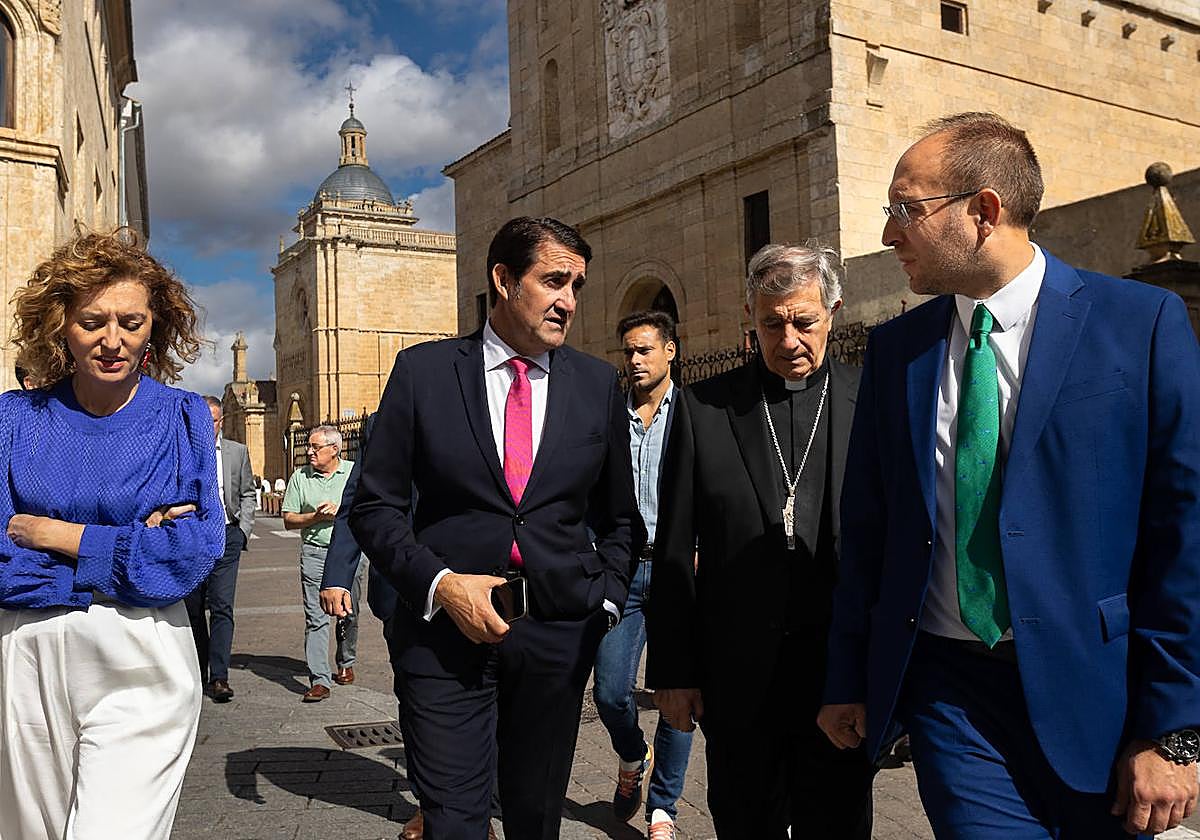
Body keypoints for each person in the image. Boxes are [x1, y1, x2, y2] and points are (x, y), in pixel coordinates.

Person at [818, 112, 1200, 838]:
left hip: (1101, 695)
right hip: (951, 697)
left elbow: (1186, 536)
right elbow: (868, 533)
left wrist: (1175, 729)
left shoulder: (1139, 324)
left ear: (983, 211)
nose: (889, 233)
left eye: (906, 209)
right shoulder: (897, 351)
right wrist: (848, 677)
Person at [349, 216, 640, 839]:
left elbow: (621, 517)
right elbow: (374, 506)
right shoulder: (423, 373)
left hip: (556, 638)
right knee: (454, 823)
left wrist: (605, 606)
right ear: (503, 279)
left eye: (577, 286)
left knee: (535, 821)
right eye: (554, 280)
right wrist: (440, 584)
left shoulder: (596, 384)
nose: (569, 300)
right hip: (442, 638)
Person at [0, 229, 224, 839]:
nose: (112, 340)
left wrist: (55, 534)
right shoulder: (13, 420)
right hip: (29, 648)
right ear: (61, 326)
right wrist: (131, 542)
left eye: (131, 321)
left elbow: (194, 552)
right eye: (92, 321)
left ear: (156, 325)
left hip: (143, 647)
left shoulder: (182, 419)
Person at [646, 242, 873, 838]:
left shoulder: (870, 400)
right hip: (738, 680)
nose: (789, 338)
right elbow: (672, 549)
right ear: (752, 320)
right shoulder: (703, 408)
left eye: (804, 321)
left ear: (833, 311)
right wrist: (673, 671)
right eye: (773, 324)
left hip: (841, 677)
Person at [592, 310, 693, 839]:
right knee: (609, 691)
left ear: (670, 351)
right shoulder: (610, 418)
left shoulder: (697, 412)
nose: (634, 361)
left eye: (645, 350)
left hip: (680, 572)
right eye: (627, 351)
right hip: (623, 572)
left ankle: (663, 810)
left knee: (679, 695)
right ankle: (633, 754)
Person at [185, 395, 257, 703]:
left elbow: (248, 493)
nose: (207, 427)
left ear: (221, 422)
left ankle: (219, 677)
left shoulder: (236, 452)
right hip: (192, 539)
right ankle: (197, 671)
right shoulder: (183, 452)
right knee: (192, 609)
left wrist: (243, 530)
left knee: (222, 607)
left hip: (227, 536)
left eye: (212, 421)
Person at [281, 425, 360, 701]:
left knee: (348, 614)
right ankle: (320, 680)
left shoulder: (353, 473)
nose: (309, 451)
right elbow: (289, 519)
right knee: (316, 618)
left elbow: (368, 510)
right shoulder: (300, 477)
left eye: (316, 447)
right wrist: (315, 517)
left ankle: (346, 661)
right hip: (314, 552)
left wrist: (342, 512)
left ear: (334, 449)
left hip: (349, 555)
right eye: (309, 446)